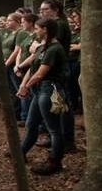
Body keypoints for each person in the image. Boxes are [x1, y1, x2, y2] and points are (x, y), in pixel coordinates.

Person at [16, 18, 69, 175]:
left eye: (38, 28)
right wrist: (23, 85)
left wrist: (26, 87)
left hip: (52, 90)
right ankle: (21, 153)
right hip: (40, 91)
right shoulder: (42, 47)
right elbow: (33, 70)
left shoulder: (54, 49)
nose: (36, 31)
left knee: (54, 129)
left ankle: (55, 162)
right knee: (31, 124)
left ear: (45, 29)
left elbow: (40, 74)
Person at [38, 0, 75, 152]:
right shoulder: (56, 24)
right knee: (58, 105)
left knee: (62, 106)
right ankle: (57, 137)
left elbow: (50, 45)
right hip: (55, 69)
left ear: (55, 10)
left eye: (45, 9)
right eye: (40, 10)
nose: (42, 12)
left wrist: (38, 47)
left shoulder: (59, 25)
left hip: (58, 71)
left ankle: (66, 140)